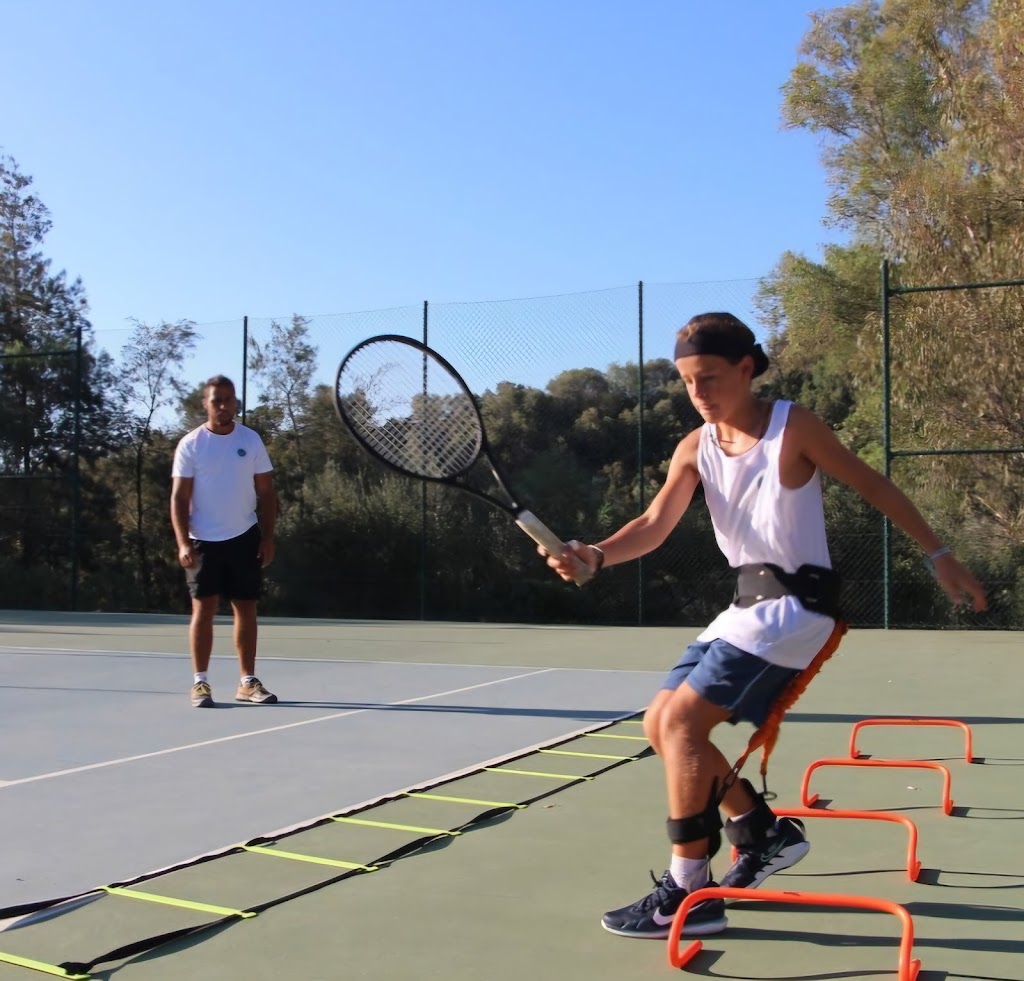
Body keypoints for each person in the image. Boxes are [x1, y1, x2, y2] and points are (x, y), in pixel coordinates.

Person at [544, 312, 987, 940]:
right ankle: (762, 831)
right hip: (746, 608)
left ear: (747, 369)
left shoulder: (792, 427)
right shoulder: (696, 446)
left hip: (797, 608)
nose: (699, 393)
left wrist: (940, 556)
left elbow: (875, 485)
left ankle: (690, 892)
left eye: (711, 378)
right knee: (660, 726)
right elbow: (653, 523)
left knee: (680, 724)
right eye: (688, 383)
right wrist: (594, 552)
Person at [170, 375, 279, 708]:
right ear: (205, 404)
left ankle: (247, 682)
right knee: (203, 609)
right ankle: (200, 684)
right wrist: (183, 543)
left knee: (246, 608)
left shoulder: (251, 440)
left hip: (245, 537)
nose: (223, 405)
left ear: (236, 403)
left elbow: (267, 492)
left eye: (229, 399)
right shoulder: (191, 444)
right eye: (216, 400)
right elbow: (178, 497)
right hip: (202, 540)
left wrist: (268, 536)